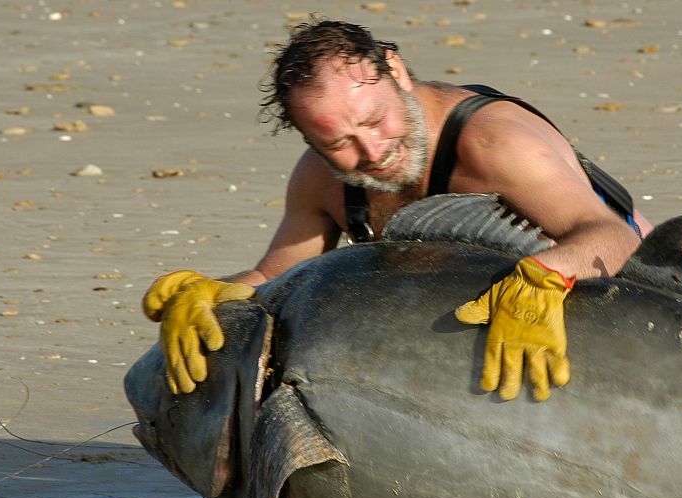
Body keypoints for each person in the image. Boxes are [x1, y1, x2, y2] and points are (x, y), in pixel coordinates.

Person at [142, 19, 652, 402]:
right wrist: (207, 294)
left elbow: (615, 238)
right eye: (338, 141)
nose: (371, 151)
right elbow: (275, 276)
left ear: (397, 71)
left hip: (641, 300)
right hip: (504, 337)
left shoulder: (494, 142)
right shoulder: (323, 179)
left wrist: (545, 276)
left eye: (375, 118)